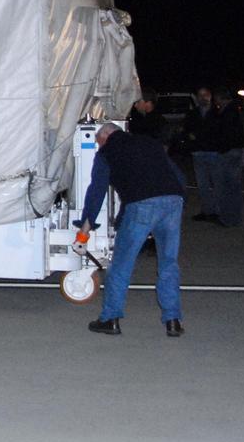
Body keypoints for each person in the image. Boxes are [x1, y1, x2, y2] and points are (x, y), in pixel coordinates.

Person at [74, 122, 185, 337]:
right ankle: (173, 320)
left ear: (105, 136)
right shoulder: (149, 143)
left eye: (98, 142)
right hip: (173, 201)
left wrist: (84, 230)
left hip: (141, 206)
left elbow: (96, 193)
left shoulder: (107, 152)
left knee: (121, 265)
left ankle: (110, 319)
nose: (98, 147)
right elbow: (179, 177)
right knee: (169, 263)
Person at [209, 88, 244, 227]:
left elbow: (226, 134)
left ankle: (229, 218)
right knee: (232, 186)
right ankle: (233, 217)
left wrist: (221, 148)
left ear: (220, 98)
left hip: (229, 152)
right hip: (234, 150)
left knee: (228, 187)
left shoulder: (229, 111)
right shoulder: (233, 109)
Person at [182, 86, 220, 222]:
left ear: (210, 96)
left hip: (213, 152)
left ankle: (217, 211)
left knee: (216, 183)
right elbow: (187, 130)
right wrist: (191, 136)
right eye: (200, 95)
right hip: (198, 152)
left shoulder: (217, 112)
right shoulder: (193, 113)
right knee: (202, 184)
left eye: (205, 95)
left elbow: (217, 131)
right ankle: (206, 211)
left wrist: (199, 135)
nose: (203, 97)